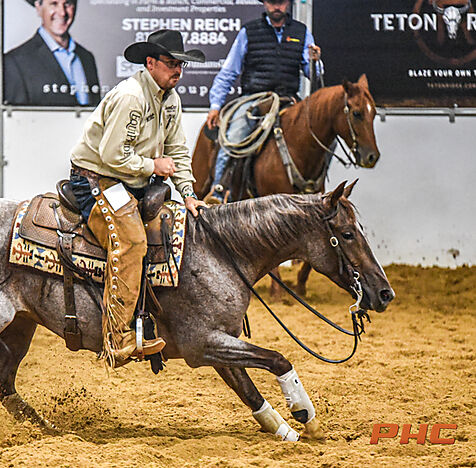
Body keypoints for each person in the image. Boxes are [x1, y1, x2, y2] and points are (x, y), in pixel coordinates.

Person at [69, 30, 208, 366]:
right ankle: (117, 337)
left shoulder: (170, 99)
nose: (178, 70)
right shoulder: (131, 96)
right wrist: (152, 165)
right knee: (131, 242)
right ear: (150, 63)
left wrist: (189, 194)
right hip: (97, 179)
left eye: (181, 64)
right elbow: (112, 154)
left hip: (130, 181)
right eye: (171, 63)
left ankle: (149, 320)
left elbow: (177, 150)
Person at [204, 0, 322, 202]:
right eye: (272, 2)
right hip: (253, 99)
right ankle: (219, 191)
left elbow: (313, 73)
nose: (277, 7)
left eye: (281, 2)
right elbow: (228, 72)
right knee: (233, 138)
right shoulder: (249, 32)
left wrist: (315, 61)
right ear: (265, 3)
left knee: (321, 134)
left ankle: (315, 185)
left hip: (289, 99)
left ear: (288, 4)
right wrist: (215, 106)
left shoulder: (302, 32)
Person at [4, 0, 100, 106]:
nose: (62, 12)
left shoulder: (86, 58)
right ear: (38, 7)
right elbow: (16, 115)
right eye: (54, 4)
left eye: (67, 3)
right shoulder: (15, 62)